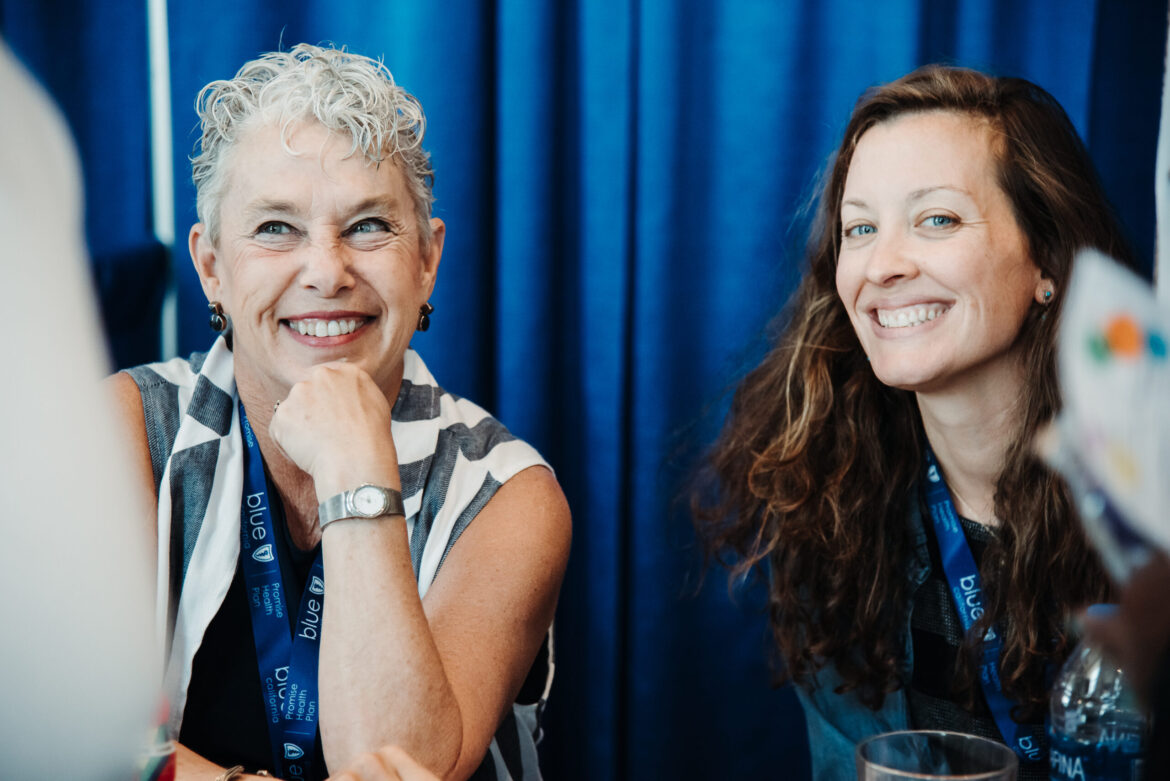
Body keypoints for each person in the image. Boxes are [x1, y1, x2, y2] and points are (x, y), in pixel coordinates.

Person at [108, 43, 571, 781]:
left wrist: (356, 469)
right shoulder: (124, 428)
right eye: (275, 228)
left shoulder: (511, 496)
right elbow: (83, 731)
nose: (327, 271)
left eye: (367, 226)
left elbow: (406, 767)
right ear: (211, 267)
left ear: (427, 261)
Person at [693, 65, 1134, 781]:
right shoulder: (831, 509)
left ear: (1047, 259)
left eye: (937, 219)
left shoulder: (1147, 511)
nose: (883, 265)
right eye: (860, 228)